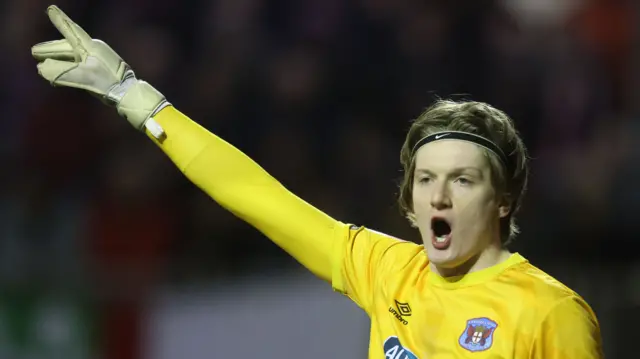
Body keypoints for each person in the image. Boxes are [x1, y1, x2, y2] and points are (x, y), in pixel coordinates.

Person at [31, 5, 603, 358]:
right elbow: (255, 195)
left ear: (503, 200)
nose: (440, 195)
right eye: (426, 178)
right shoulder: (384, 270)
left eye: (463, 180)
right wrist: (134, 96)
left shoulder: (551, 314)